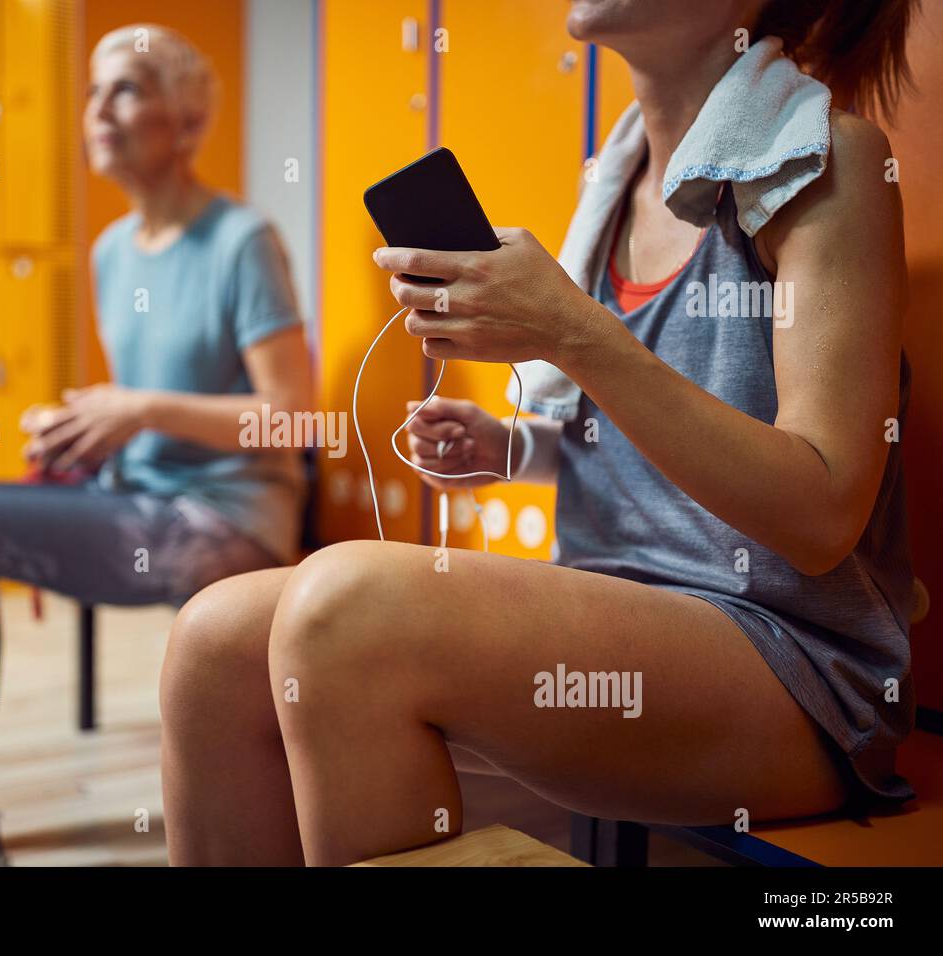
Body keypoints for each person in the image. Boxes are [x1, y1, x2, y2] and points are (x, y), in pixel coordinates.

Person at [160, 0, 919, 865]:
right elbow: (656, 448)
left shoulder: (831, 161)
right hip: (628, 619)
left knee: (347, 611)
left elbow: (820, 513)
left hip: (798, 677)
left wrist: (569, 330)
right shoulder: (618, 183)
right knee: (213, 640)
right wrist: (512, 446)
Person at [0, 23, 314, 866]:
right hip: (131, 495)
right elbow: (145, 412)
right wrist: (89, 432)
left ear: (185, 123)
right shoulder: (111, 252)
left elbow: (294, 416)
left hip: (222, 520)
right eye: (94, 90)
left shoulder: (242, 241)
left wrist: (140, 409)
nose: (97, 109)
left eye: (127, 88)